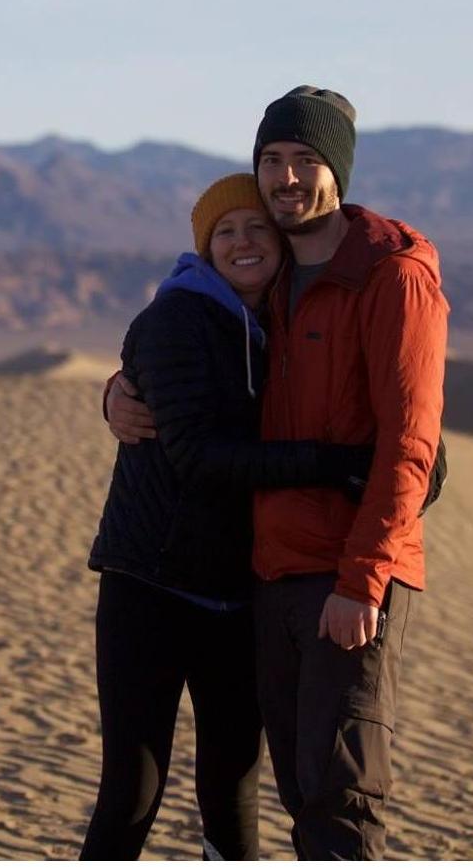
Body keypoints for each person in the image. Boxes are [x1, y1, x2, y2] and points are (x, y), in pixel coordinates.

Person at [106, 86, 448, 861]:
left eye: (304, 160)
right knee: (300, 793)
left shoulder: (389, 275)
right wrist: (118, 391)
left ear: (339, 171)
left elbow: (411, 442)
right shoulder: (275, 278)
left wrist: (363, 578)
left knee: (338, 803)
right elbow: (182, 352)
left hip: (345, 579)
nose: (286, 177)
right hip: (269, 579)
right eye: (270, 160)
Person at [81, 172, 374, 861]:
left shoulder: (281, 324)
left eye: (255, 228)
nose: (242, 242)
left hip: (238, 594)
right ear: (204, 248)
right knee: (132, 786)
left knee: (231, 782)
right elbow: (197, 456)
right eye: (224, 231)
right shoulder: (174, 318)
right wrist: (331, 464)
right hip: (149, 585)